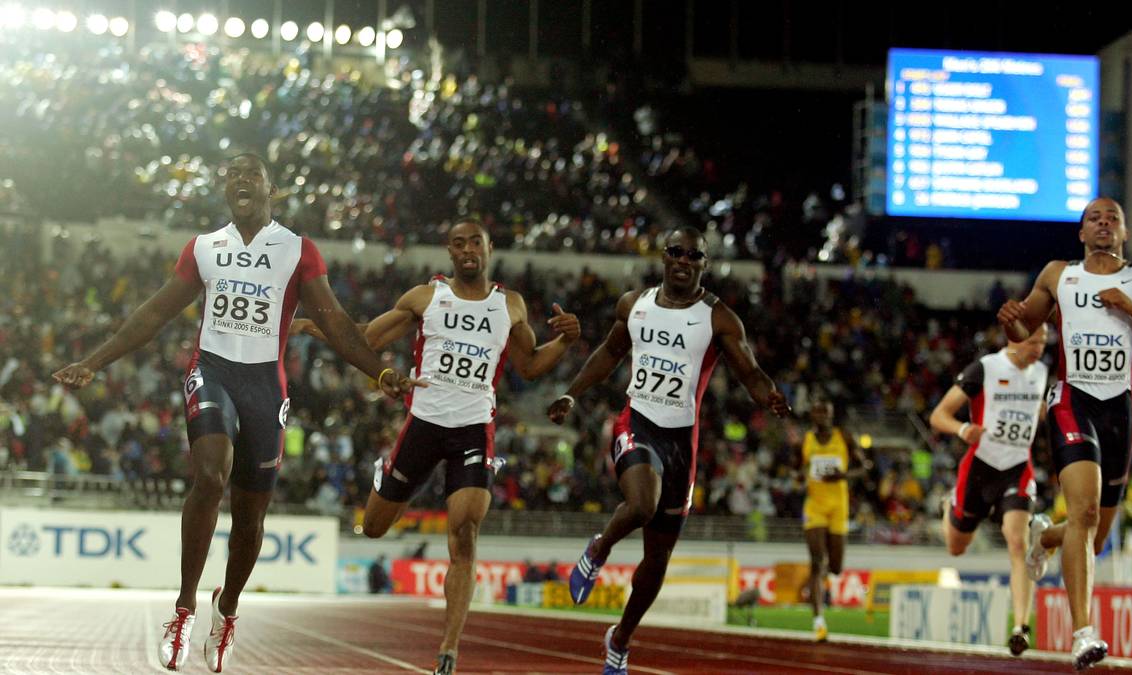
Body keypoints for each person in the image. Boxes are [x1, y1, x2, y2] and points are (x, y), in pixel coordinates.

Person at [52, 153, 412, 673]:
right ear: (225, 191)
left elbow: (334, 322)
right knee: (209, 474)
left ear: (272, 188)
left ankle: (228, 611)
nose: (241, 180)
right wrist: (95, 361)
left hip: (266, 385)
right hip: (213, 371)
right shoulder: (204, 248)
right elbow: (155, 311)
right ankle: (183, 608)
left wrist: (380, 372)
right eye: (232, 175)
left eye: (252, 174)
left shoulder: (297, 250)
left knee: (250, 519)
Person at [296, 219, 580, 675]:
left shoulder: (510, 305)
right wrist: (314, 325)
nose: (469, 250)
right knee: (372, 528)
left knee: (464, 533)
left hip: (473, 428)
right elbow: (365, 338)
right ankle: (384, 472)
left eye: (477, 243)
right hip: (423, 424)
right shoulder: (425, 297)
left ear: (489, 249)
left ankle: (448, 650)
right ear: (450, 251)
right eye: (460, 243)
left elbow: (529, 366)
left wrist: (567, 339)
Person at [546, 226, 792, 675]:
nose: (682, 260)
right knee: (641, 504)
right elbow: (608, 353)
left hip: (682, 442)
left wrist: (769, 396)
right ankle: (598, 549)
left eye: (692, 255)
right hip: (637, 421)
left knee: (657, 557)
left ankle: (619, 640)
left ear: (704, 264)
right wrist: (572, 393)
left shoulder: (719, 319)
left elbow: (750, 373)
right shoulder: (633, 304)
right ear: (663, 255)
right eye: (675, 251)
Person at [997, 197, 1132, 670]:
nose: (1103, 223)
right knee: (1082, 512)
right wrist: (1011, 319)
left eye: (1113, 217)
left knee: (1093, 536)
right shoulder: (1059, 274)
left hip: (1119, 408)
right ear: (1081, 233)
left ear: (1124, 232)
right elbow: (1023, 331)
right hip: (1072, 400)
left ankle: (1045, 537)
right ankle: (1083, 635)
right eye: (1093, 218)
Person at [928, 325, 1049, 656]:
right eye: (1034, 341)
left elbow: (1037, 410)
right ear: (1014, 338)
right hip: (979, 468)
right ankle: (949, 506)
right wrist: (963, 428)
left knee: (1017, 542)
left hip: (1017, 469)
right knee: (956, 548)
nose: (1040, 348)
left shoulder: (1041, 372)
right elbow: (937, 416)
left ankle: (1020, 627)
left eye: (1044, 341)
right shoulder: (985, 369)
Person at [798, 399, 868, 643]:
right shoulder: (805, 440)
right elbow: (798, 469)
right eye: (818, 412)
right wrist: (799, 475)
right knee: (817, 561)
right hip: (814, 506)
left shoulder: (845, 437)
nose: (822, 416)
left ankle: (817, 581)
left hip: (838, 507)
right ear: (812, 415)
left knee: (836, 567)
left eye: (826, 412)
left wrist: (843, 475)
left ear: (831, 414)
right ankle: (819, 621)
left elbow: (864, 467)